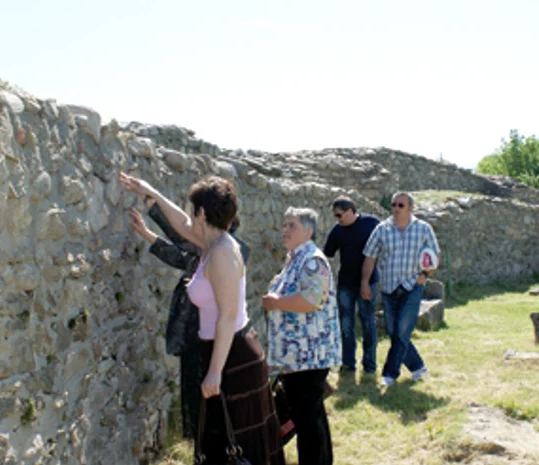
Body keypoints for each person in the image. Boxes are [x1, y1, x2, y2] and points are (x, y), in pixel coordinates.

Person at [120, 172, 285, 465]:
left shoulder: (222, 253)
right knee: (221, 444)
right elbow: (181, 223)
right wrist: (152, 192)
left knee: (238, 446)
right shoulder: (212, 241)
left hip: (233, 355)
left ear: (202, 213)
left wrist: (215, 371)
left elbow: (227, 315)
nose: (189, 212)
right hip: (226, 350)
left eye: (192, 206)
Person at [129, 201, 251, 440]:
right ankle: (199, 441)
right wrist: (147, 233)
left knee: (213, 398)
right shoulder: (208, 249)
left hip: (216, 337)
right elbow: (180, 256)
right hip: (195, 331)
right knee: (193, 390)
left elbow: (183, 240)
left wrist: (156, 206)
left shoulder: (232, 249)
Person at [263, 207, 341, 465]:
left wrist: (277, 302)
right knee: (309, 415)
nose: (285, 229)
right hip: (297, 355)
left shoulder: (312, 260)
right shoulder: (295, 259)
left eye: (292, 225)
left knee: (307, 419)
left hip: (309, 354)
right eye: (284, 224)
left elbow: (313, 300)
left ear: (308, 231)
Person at [361, 192, 440, 389]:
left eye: (400, 205)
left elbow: (435, 255)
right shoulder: (382, 229)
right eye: (394, 204)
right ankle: (418, 367)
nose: (395, 208)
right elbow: (369, 256)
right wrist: (364, 282)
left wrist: (425, 275)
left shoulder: (423, 229)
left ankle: (389, 373)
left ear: (410, 208)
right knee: (394, 331)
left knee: (403, 329)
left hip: (412, 286)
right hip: (388, 288)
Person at [323, 196, 380, 375]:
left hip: (369, 282)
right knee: (346, 326)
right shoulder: (337, 231)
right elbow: (327, 254)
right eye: (335, 216)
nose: (337, 219)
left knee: (368, 322)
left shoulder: (371, 223)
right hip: (346, 284)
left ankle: (370, 365)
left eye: (339, 215)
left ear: (350, 211)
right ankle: (348, 364)